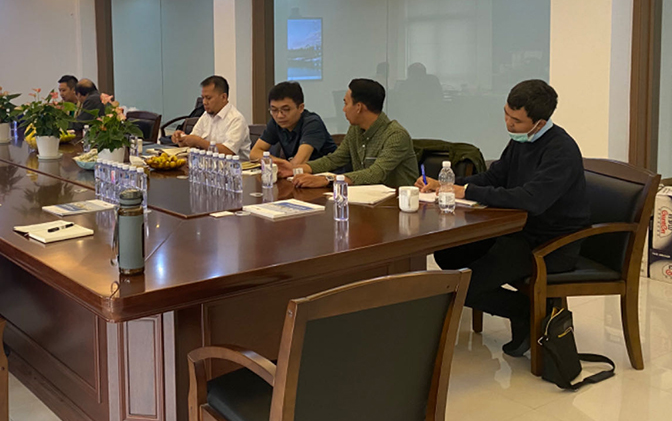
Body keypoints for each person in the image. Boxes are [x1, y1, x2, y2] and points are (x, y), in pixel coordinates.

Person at [419, 80, 590, 357]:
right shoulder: (522, 141)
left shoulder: (561, 151)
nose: (509, 124)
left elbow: (532, 199)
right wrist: (449, 185)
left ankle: (528, 312)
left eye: (517, 120)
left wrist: (468, 191)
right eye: (506, 114)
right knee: (449, 255)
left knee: (464, 287)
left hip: (550, 243)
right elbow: (495, 177)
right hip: (517, 230)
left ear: (539, 123)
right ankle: (524, 313)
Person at [285, 78, 416, 189]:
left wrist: (327, 179)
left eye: (346, 103)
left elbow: (376, 173)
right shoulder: (355, 129)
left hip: (396, 204)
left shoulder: (396, 135)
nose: (343, 109)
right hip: (364, 199)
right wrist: (295, 169)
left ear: (359, 107)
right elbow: (336, 159)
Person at [250, 81, 336, 166]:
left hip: (328, 172)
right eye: (274, 110)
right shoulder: (276, 122)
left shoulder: (312, 123)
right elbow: (254, 153)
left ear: (301, 108)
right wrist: (279, 162)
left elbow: (299, 162)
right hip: (299, 172)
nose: (279, 115)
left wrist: (279, 163)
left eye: (286, 109)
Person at [172, 75, 251, 157]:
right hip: (206, 162)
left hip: (235, 164)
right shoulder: (206, 115)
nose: (204, 102)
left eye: (208, 98)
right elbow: (192, 142)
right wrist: (181, 139)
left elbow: (228, 151)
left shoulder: (236, 119)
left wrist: (199, 141)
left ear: (223, 97)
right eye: (203, 98)